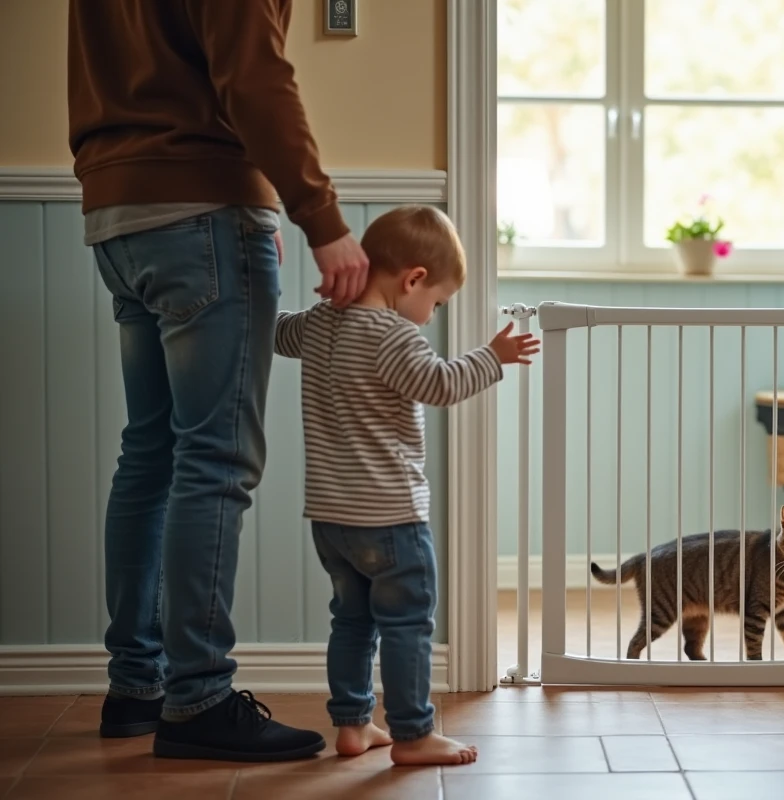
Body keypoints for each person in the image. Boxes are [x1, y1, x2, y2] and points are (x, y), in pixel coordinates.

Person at [67, 0, 369, 761]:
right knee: (213, 459)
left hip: (117, 212)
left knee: (151, 453)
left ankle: (137, 683)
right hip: (204, 209)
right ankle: (197, 695)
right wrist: (323, 217)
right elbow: (254, 74)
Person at [273, 206, 538, 766]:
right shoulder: (393, 334)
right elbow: (440, 384)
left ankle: (352, 725)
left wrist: (263, 278)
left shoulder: (320, 322)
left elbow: (275, 332)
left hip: (330, 517)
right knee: (407, 624)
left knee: (351, 620)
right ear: (412, 278)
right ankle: (414, 734)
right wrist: (494, 357)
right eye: (436, 303)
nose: (431, 316)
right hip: (390, 516)